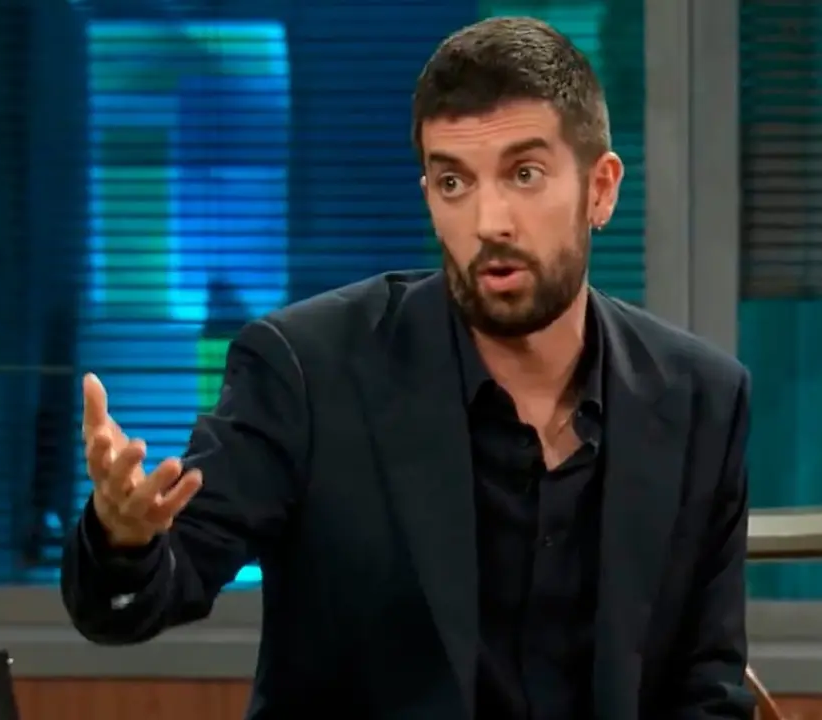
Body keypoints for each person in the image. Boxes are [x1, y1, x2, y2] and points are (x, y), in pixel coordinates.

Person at [61, 16, 754, 720]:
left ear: (600, 189)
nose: (489, 222)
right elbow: (144, 595)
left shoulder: (700, 399)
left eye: (524, 174)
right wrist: (123, 539)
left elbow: (708, 690)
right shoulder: (308, 373)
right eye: (454, 182)